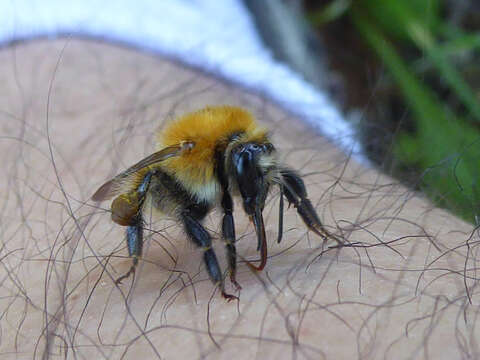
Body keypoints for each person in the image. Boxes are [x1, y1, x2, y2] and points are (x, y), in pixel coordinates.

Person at [1, 38, 475, 359]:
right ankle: (177, 265)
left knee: (274, 180)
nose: (260, 177)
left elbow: (268, 175)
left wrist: (312, 222)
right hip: (177, 187)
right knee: (193, 209)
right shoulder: (197, 156)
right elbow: (213, 203)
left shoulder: (243, 151)